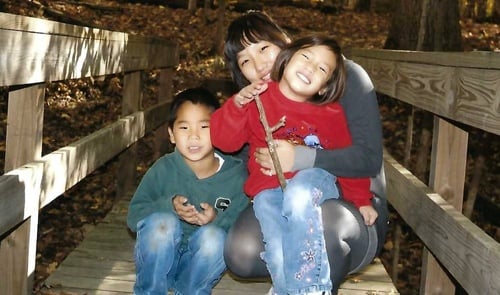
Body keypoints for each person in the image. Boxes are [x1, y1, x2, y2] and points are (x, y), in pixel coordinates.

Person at [221, 10, 389, 294]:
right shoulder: (258, 100)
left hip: (350, 205)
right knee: (242, 251)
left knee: (315, 226)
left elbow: (368, 159)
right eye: (246, 60)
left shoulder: (340, 77)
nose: (260, 63)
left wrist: (301, 157)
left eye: (265, 48)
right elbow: (230, 147)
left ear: (286, 43)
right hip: (279, 195)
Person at [126, 87, 249, 295]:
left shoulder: (236, 177)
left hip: (198, 267)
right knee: (162, 224)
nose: (194, 136)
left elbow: (240, 229)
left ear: (219, 130)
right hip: (158, 262)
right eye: (184, 128)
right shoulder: (162, 169)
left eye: (204, 126)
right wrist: (168, 206)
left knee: (215, 237)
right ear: (172, 135)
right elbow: (133, 217)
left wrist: (215, 219)